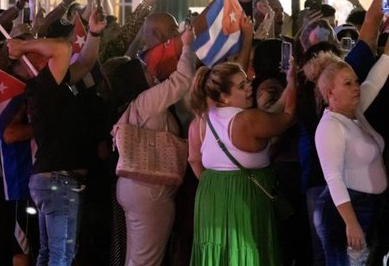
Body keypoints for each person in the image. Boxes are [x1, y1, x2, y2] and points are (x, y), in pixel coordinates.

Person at [6, 8, 106, 265]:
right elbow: (62, 48)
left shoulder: (54, 85)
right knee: (61, 256)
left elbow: (84, 63)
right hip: (58, 181)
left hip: (54, 180)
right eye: (40, 53)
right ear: (34, 62)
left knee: (50, 253)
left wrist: (94, 33)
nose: (46, 54)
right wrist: (23, 45)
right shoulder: (43, 87)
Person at [188, 58, 296, 265]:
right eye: (242, 86)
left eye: (248, 82)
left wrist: (217, 183)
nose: (250, 88)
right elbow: (288, 116)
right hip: (246, 196)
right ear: (224, 97)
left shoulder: (200, 121)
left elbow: (194, 160)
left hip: (210, 197)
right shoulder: (249, 120)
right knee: (248, 250)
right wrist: (291, 82)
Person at [106, 25, 196, 266]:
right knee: (146, 259)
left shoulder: (135, 105)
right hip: (150, 188)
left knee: (137, 256)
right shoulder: (146, 101)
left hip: (135, 186)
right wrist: (187, 46)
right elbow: (182, 81)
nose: (152, 71)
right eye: (146, 71)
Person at [303, 48, 389, 265]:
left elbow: (374, 81)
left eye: (355, 81)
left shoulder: (355, 113)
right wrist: (350, 222)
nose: (356, 87)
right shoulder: (330, 126)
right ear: (329, 93)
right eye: (347, 83)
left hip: (369, 206)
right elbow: (334, 178)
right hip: (345, 211)